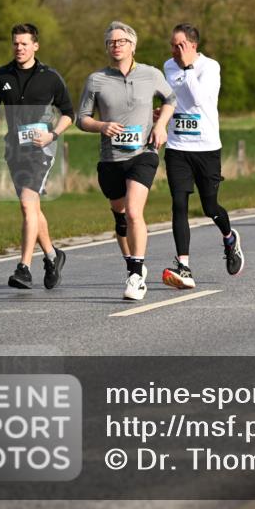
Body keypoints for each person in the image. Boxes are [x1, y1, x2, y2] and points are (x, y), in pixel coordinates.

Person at [77, 21, 176, 301]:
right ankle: (133, 263)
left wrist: (160, 126)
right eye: (111, 41)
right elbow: (81, 118)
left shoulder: (151, 74)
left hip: (143, 154)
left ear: (133, 45)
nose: (116, 45)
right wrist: (101, 126)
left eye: (121, 41)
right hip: (110, 158)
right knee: (121, 218)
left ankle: (135, 277)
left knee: (134, 212)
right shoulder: (96, 79)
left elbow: (171, 99)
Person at [0, 23, 73, 290]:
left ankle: (23, 268)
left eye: (24, 43)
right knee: (32, 207)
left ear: (35, 45)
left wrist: (52, 135)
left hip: (41, 149)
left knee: (26, 203)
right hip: (15, 149)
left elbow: (69, 113)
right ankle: (53, 256)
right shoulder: (1, 75)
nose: (19, 48)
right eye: (15, 43)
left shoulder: (51, 77)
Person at [158, 23, 244, 290]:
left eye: (179, 45)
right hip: (177, 147)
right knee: (179, 204)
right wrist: (160, 116)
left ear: (193, 45)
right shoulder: (168, 66)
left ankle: (229, 239)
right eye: (172, 45)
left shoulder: (211, 67)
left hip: (206, 148)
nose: (174, 50)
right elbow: (170, 101)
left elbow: (196, 99)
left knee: (210, 207)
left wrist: (187, 67)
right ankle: (183, 265)